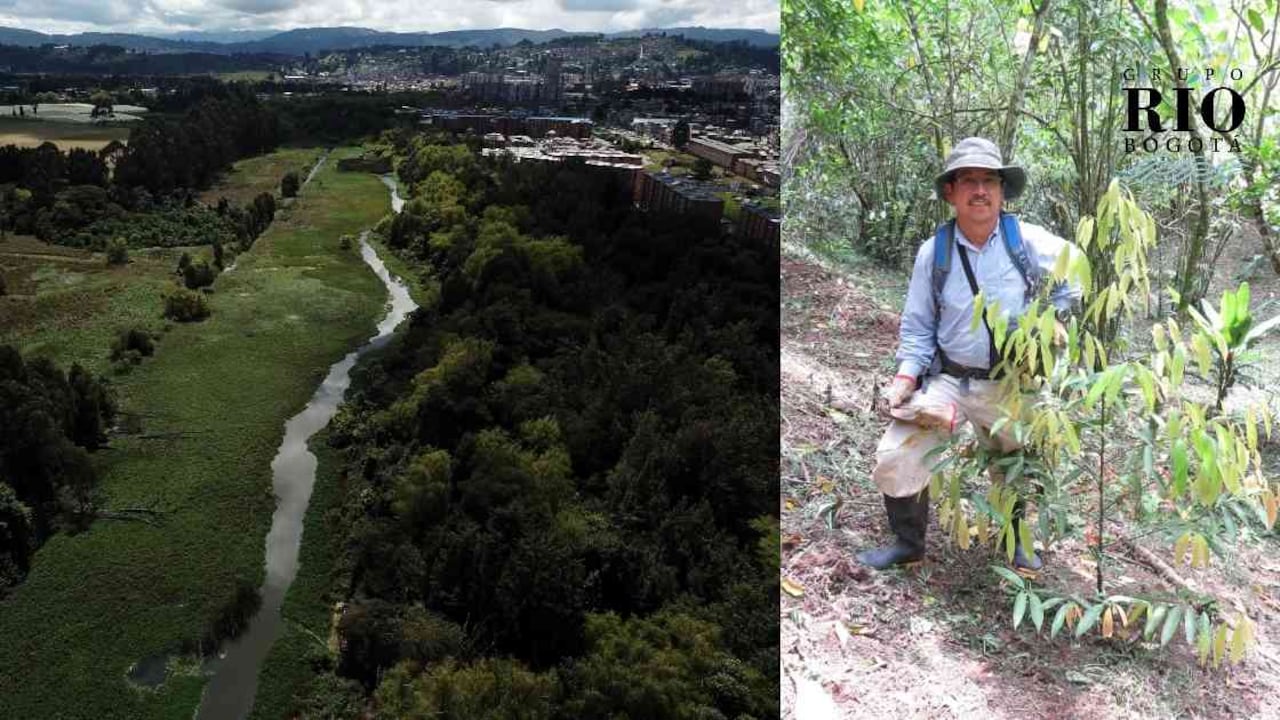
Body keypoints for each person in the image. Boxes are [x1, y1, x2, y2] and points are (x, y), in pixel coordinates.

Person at [857, 137, 1081, 571]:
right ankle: (908, 544)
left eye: (989, 181)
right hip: (950, 379)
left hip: (1011, 382)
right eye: (969, 181)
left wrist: (1057, 316)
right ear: (951, 192)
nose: (980, 190)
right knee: (897, 453)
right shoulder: (933, 253)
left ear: (1002, 191)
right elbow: (919, 326)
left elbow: (1077, 270)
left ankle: (1015, 539)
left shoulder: (1028, 242)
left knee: (1016, 462)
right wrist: (905, 377)